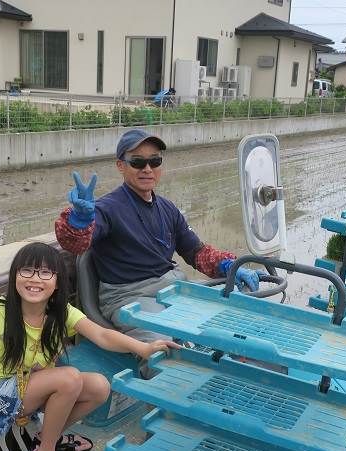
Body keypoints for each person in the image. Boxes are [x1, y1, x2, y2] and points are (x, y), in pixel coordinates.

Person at [0, 242, 178, 451]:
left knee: (100, 387)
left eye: (44, 273)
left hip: (28, 387)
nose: (34, 280)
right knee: (69, 378)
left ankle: (47, 438)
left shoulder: (59, 312)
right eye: (26, 271)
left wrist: (144, 348)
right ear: (15, 276)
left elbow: (103, 335)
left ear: (56, 282)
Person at [54, 128, 262, 341]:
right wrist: (78, 220)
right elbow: (76, 243)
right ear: (121, 166)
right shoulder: (107, 209)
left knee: (235, 319)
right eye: (137, 162)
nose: (147, 169)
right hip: (130, 298)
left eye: (154, 161)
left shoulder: (167, 208)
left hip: (173, 288)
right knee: (163, 348)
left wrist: (229, 266)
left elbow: (196, 252)